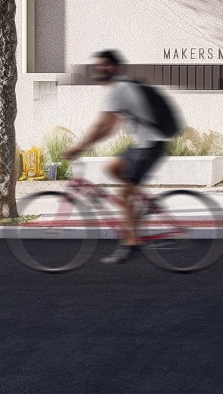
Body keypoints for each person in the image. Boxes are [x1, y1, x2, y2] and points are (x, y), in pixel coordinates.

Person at [61, 49, 172, 264]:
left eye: (106, 65)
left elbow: (101, 125)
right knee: (112, 168)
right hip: (143, 145)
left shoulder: (119, 89)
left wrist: (79, 147)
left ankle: (130, 244)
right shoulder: (122, 89)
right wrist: (86, 145)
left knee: (122, 194)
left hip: (151, 145)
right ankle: (137, 204)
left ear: (116, 68)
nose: (101, 69)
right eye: (99, 65)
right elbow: (110, 127)